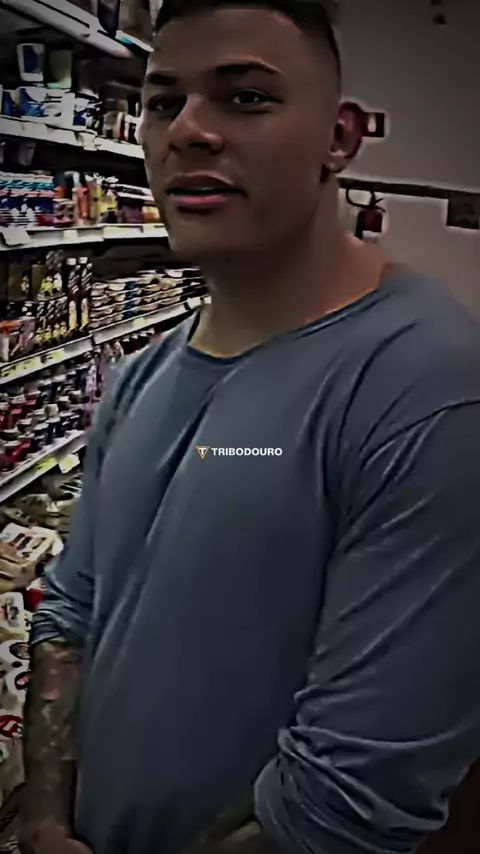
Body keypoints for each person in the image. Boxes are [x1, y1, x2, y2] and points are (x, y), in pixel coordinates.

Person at [20, 1, 480, 853]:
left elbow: (348, 797)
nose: (189, 132)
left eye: (245, 98)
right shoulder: (141, 376)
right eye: (164, 102)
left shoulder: (431, 390)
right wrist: (45, 820)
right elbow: (69, 614)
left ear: (340, 138)